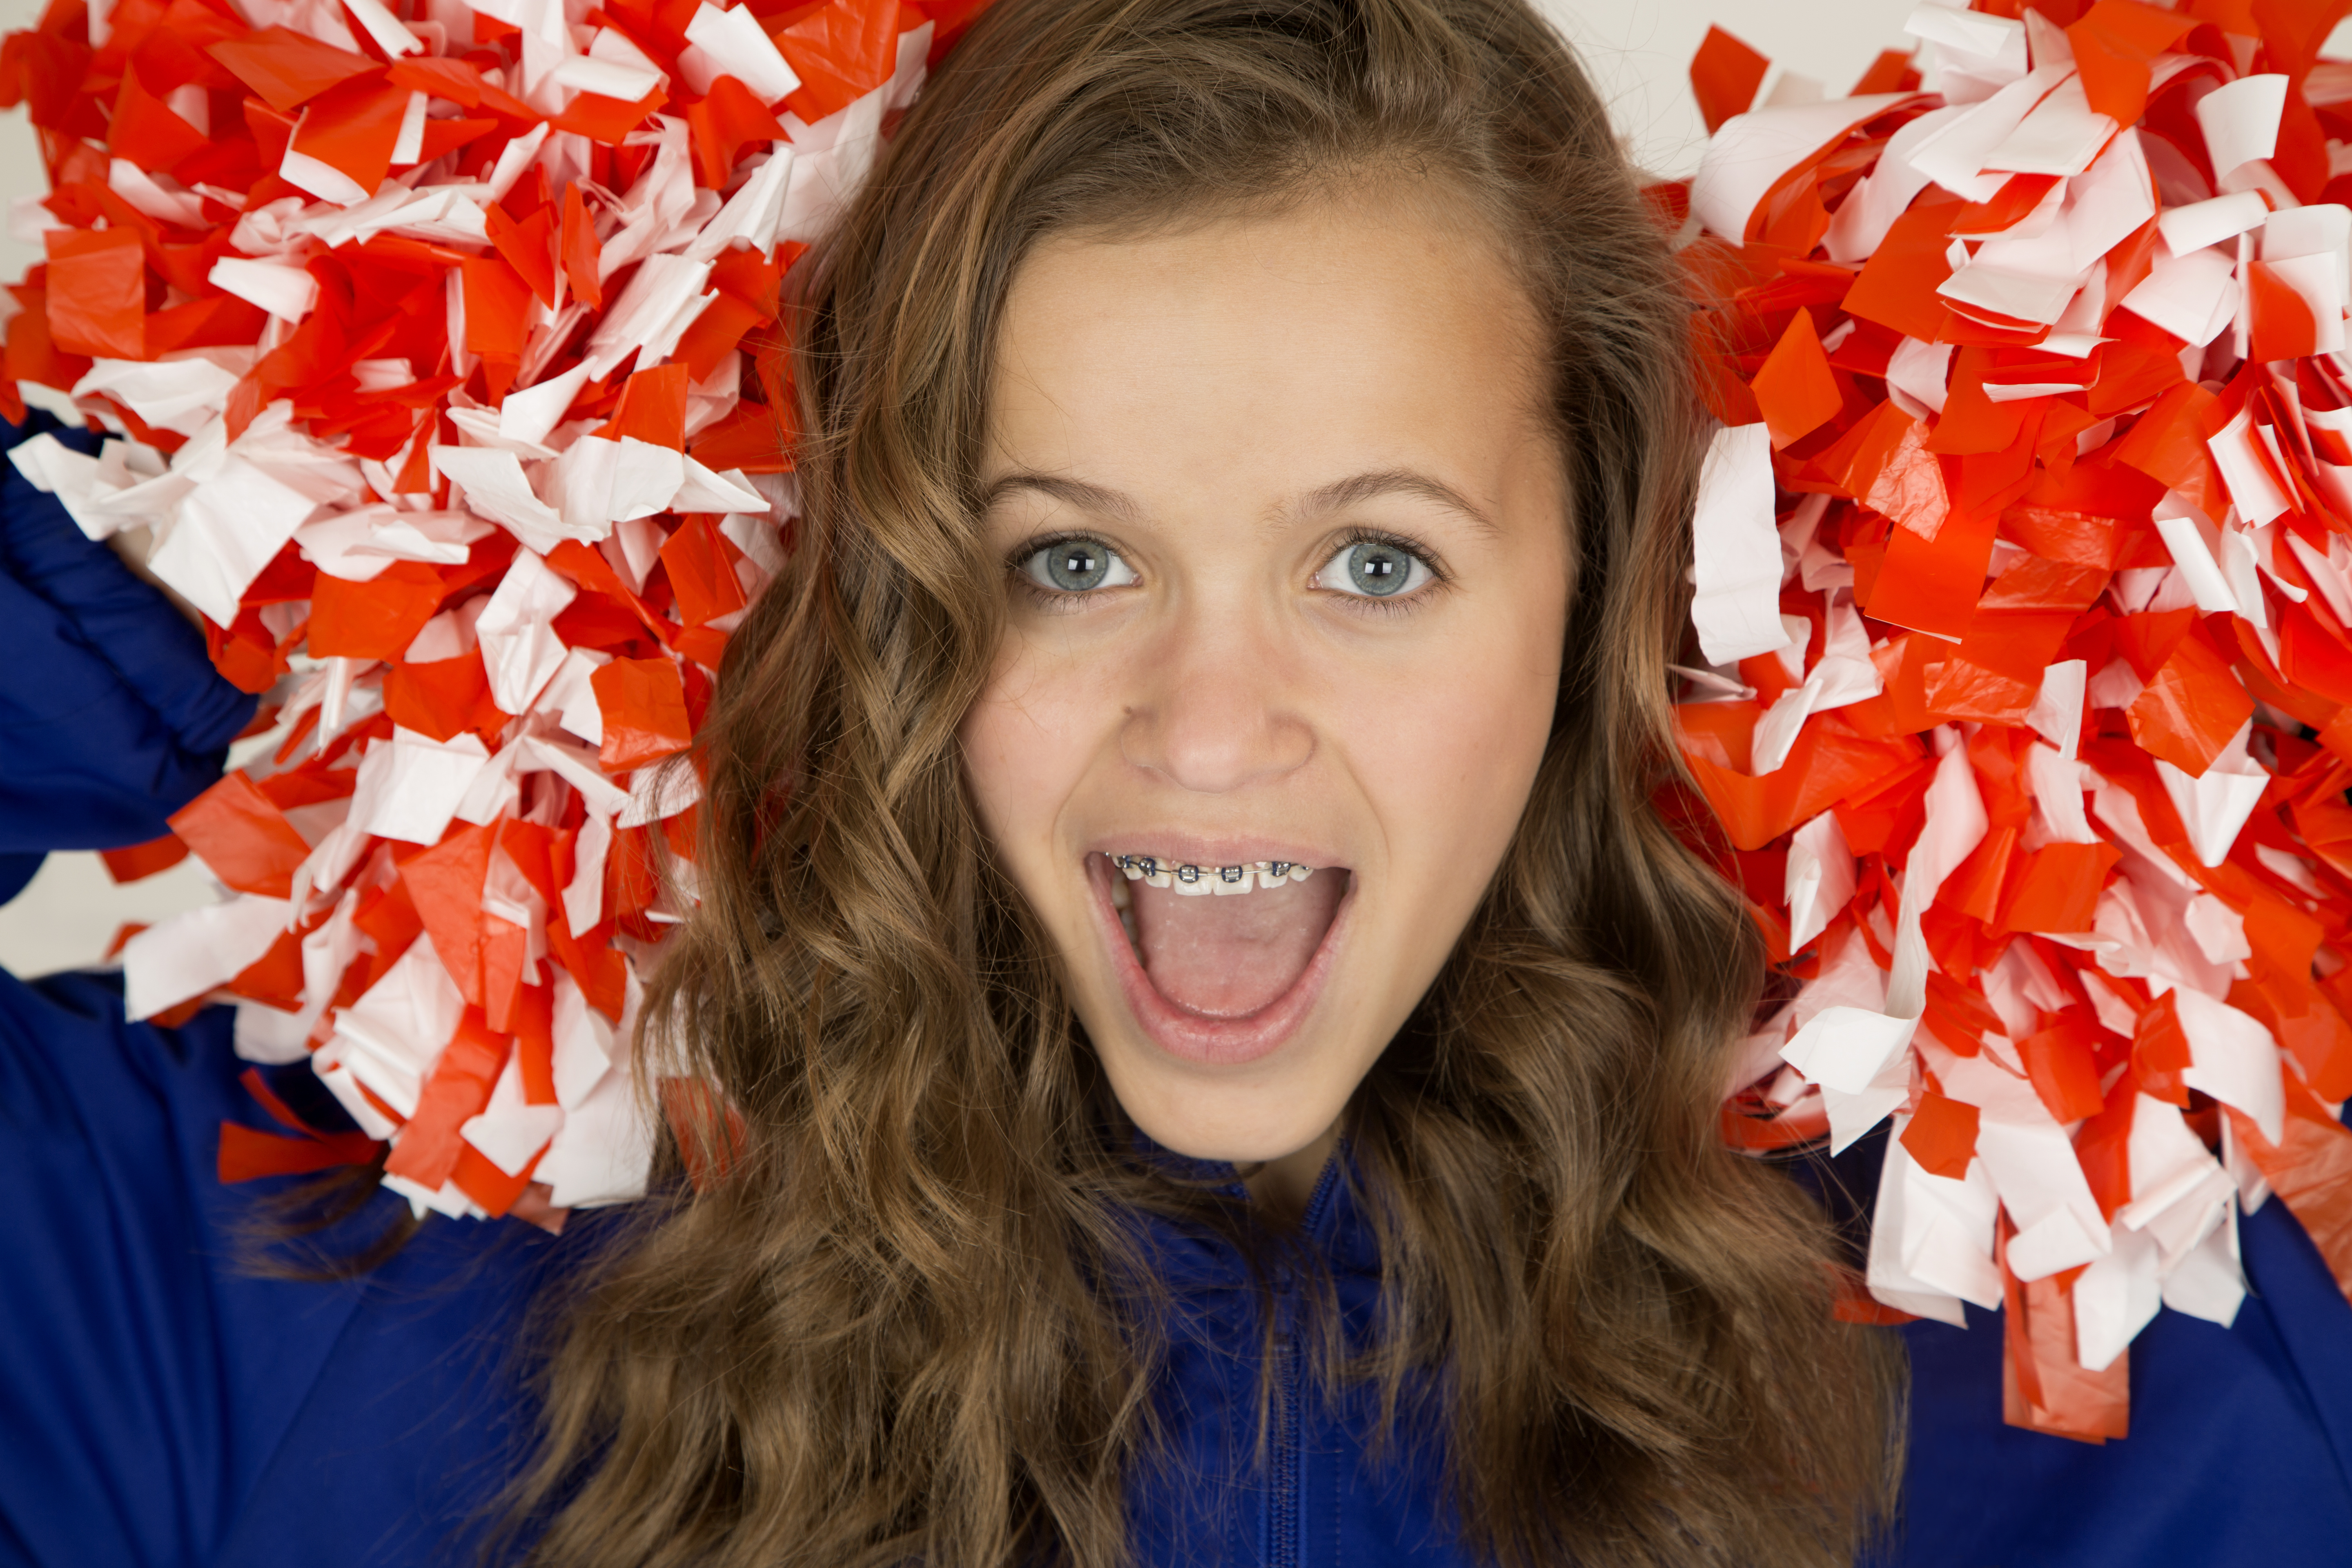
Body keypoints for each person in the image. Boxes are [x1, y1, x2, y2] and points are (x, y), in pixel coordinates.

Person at [0, 2, 2347, 1567]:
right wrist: (191, 582)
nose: (1212, 724)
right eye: (1072, 556)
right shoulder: (277, 1266)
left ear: (1617, 595)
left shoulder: (2078, 1381)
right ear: (882, 581)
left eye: (1374, 558)